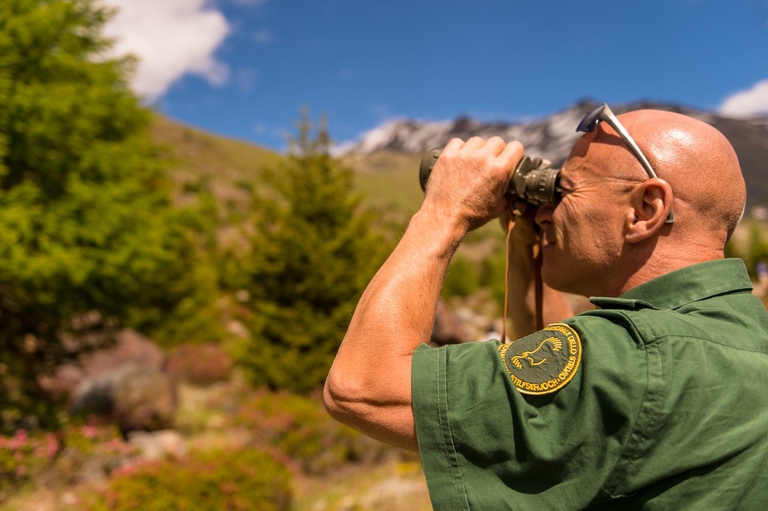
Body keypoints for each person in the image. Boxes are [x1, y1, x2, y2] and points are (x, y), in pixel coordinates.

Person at [323, 104, 768, 509]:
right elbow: (564, 372)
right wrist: (525, 243)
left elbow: (361, 388)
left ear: (645, 210)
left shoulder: (637, 359)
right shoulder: (740, 334)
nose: (544, 211)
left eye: (566, 190)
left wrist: (446, 211)